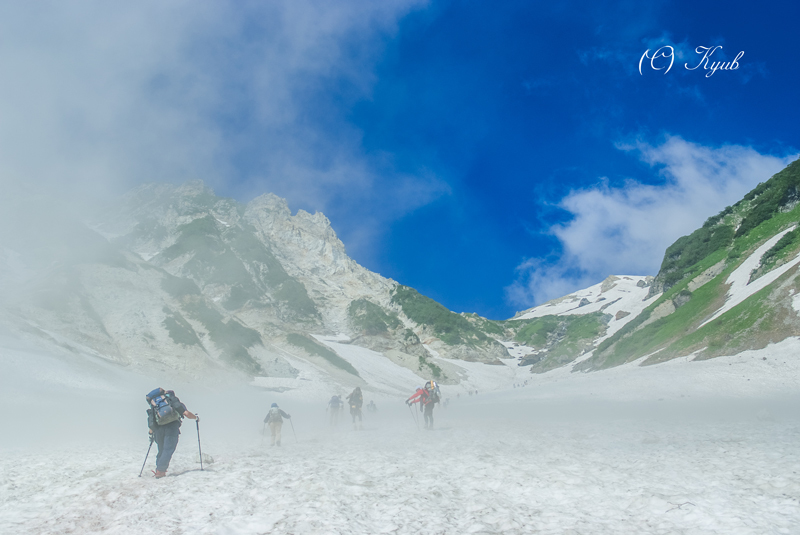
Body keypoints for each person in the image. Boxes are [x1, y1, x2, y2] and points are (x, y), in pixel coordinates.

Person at [146, 388, 197, 479]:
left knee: (161, 450)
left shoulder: (155, 405)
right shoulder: (173, 402)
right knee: (168, 449)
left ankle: (159, 469)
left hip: (158, 429)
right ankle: (160, 471)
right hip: (172, 428)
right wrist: (196, 418)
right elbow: (186, 413)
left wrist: (151, 434)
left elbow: (151, 421)